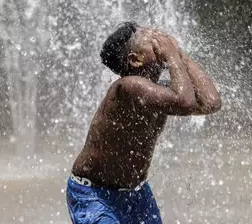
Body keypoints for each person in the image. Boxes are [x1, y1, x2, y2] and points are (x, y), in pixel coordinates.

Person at [66, 21, 222, 223]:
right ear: (135, 60)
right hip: (95, 194)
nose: (160, 39)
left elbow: (211, 102)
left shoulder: (156, 92)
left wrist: (181, 54)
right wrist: (172, 56)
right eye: (152, 38)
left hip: (135, 193)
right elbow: (184, 102)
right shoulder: (127, 88)